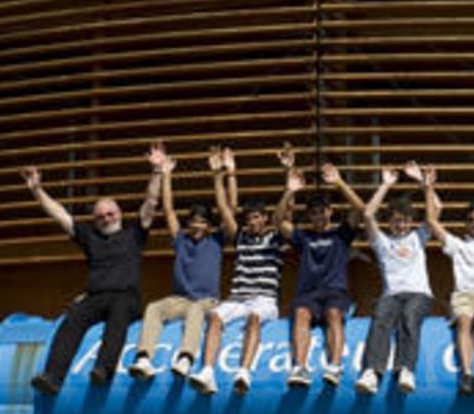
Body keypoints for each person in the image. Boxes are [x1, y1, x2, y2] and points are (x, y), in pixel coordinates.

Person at [23, 148, 160, 394]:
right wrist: (36, 190)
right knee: (72, 319)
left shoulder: (134, 233)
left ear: (120, 214)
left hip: (125, 296)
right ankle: (53, 376)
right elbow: (60, 215)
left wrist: (157, 171)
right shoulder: (90, 237)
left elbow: (150, 202)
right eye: (100, 217)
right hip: (96, 297)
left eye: (110, 214)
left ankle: (103, 370)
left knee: (118, 318)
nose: (106, 219)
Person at [191, 147, 291, 395]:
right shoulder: (240, 237)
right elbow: (224, 208)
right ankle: (207, 372)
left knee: (254, 318)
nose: (253, 222)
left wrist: (289, 178)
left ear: (265, 219)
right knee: (213, 316)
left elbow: (283, 214)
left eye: (257, 217)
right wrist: (218, 176)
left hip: (264, 300)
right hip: (237, 298)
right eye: (249, 219)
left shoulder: (275, 238)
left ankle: (244, 372)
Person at [327, 161, 433, 396]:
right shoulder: (381, 241)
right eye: (396, 220)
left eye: (405, 220)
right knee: (381, 317)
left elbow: (436, 212)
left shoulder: (418, 237)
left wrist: (424, 185)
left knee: (409, 317)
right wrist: (385, 185)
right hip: (391, 295)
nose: (401, 225)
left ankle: (406, 369)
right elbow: (367, 213)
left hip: (419, 294)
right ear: (389, 222)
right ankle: (371, 372)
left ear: (411, 222)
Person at [127, 151, 221, 381]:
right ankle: (144, 358)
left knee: (196, 310)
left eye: (202, 221)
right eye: (193, 221)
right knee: (154, 308)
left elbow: (229, 210)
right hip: (180, 300)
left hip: (206, 301)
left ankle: (186, 359)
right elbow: (168, 209)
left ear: (209, 225)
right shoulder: (181, 240)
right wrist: (167, 174)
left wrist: (218, 174)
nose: (197, 225)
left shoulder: (216, 242)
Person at [420, 162, 474, 396]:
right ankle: (467, 374)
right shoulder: (457, 245)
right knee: (464, 321)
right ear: (465, 223)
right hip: (463, 295)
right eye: (471, 220)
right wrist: (428, 188)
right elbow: (432, 222)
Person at [280, 146, 358, 388]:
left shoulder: (341, 234)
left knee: (334, 313)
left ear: (330, 212)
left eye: (322, 211)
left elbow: (360, 210)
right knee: (301, 314)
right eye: (313, 213)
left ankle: (335, 366)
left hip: (335, 292)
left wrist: (339, 182)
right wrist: (289, 189)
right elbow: (279, 221)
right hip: (308, 294)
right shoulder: (303, 236)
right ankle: (300, 368)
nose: (319, 216)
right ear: (309, 216)